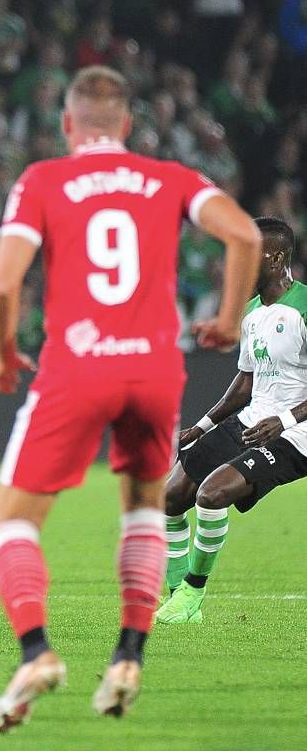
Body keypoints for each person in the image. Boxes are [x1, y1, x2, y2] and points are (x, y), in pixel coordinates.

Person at [0, 66, 262, 731]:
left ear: (67, 125)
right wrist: (227, 321)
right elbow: (246, 235)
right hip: (153, 372)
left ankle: (36, 652)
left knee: (15, 521)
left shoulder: (44, 180)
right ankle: (129, 656)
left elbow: (1, 285)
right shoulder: (168, 178)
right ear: (128, 126)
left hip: (77, 367)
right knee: (142, 510)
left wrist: (1, 355)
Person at [157, 217, 307, 623]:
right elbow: (245, 382)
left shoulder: (305, 308)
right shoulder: (252, 312)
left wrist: (286, 418)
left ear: (275, 258)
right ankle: (179, 601)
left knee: (211, 494)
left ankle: (192, 592)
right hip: (253, 418)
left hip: (296, 433)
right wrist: (202, 427)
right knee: (169, 497)